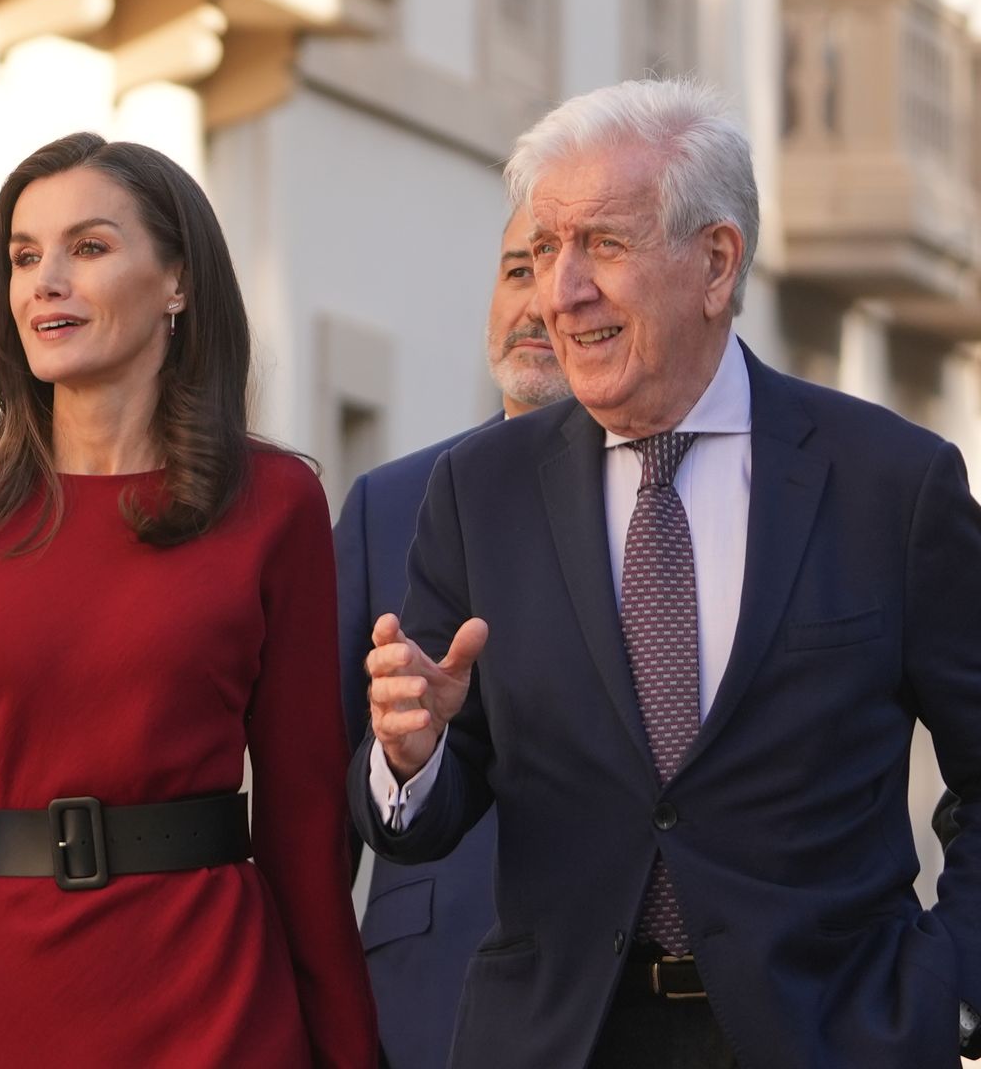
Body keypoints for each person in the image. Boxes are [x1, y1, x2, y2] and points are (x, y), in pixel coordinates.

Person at [351, 77, 981, 1069]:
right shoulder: (481, 490)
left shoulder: (889, 485)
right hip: (562, 1041)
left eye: (601, 244)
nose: (561, 292)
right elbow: (425, 816)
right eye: (544, 252)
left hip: (831, 1037)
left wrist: (951, 988)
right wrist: (413, 754)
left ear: (716, 263)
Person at [0, 131, 376, 1068]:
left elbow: (303, 818)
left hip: (217, 998)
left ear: (177, 281)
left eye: (88, 248)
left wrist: (348, 1045)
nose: (45, 280)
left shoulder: (275, 504)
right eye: (24, 256)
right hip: (7, 1001)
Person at [333, 205, 568, 1069]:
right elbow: (319, 795)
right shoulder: (386, 504)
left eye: (565, 274)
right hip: (429, 997)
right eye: (518, 272)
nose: (539, 304)